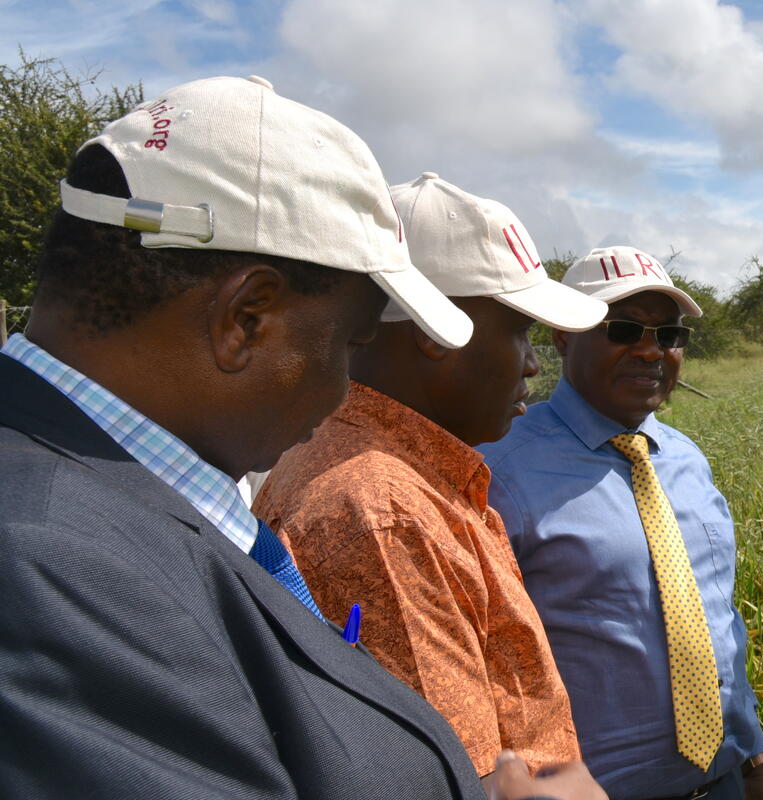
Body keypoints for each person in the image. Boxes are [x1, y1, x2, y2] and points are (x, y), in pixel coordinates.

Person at [0, 75, 598, 799]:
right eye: (349, 344)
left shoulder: (121, 510)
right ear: (246, 318)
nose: (346, 393)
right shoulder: (46, 565)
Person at [255, 173, 607, 778]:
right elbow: (462, 780)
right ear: (432, 331)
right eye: (519, 329)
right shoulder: (383, 512)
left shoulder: (396, 476)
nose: (531, 361)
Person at [481, 246, 763, 800]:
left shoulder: (686, 460)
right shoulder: (497, 471)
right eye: (622, 330)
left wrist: (758, 764)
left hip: (725, 782)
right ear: (563, 336)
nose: (650, 351)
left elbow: (719, 624)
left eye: (668, 335)